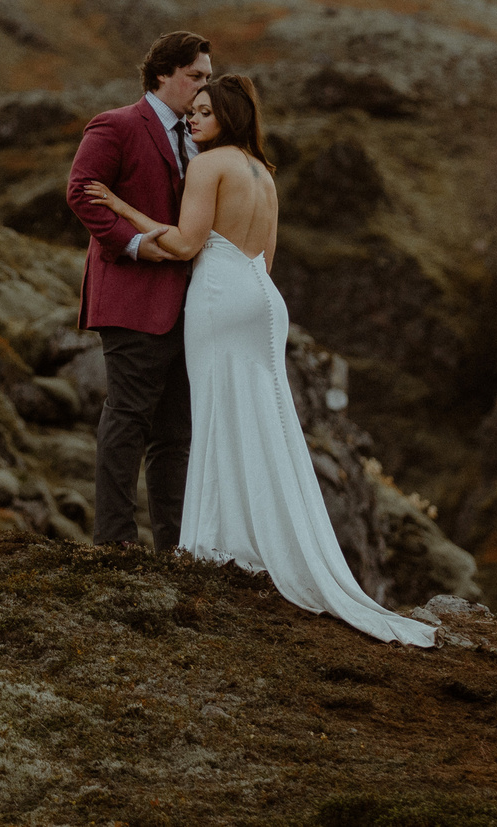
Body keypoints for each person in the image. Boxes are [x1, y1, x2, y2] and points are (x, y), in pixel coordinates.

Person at [84, 73, 435, 646]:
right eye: (191, 110)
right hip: (262, 296)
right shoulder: (262, 172)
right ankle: (272, 541)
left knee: (221, 414)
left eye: (203, 111)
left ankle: (225, 543)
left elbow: (183, 244)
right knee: (265, 418)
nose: (192, 120)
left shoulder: (209, 164)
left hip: (220, 295)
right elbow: (266, 258)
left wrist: (123, 207)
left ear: (226, 116)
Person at [65, 29, 211, 551]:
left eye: (206, 81)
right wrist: (133, 245)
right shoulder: (117, 125)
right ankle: (116, 543)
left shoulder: (201, 137)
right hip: (130, 301)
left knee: (176, 436)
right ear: (161, 76)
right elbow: (82, 193)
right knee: (127, 420)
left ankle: (173, 548)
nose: (200, 90)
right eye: (194, 77)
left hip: (190, 307)